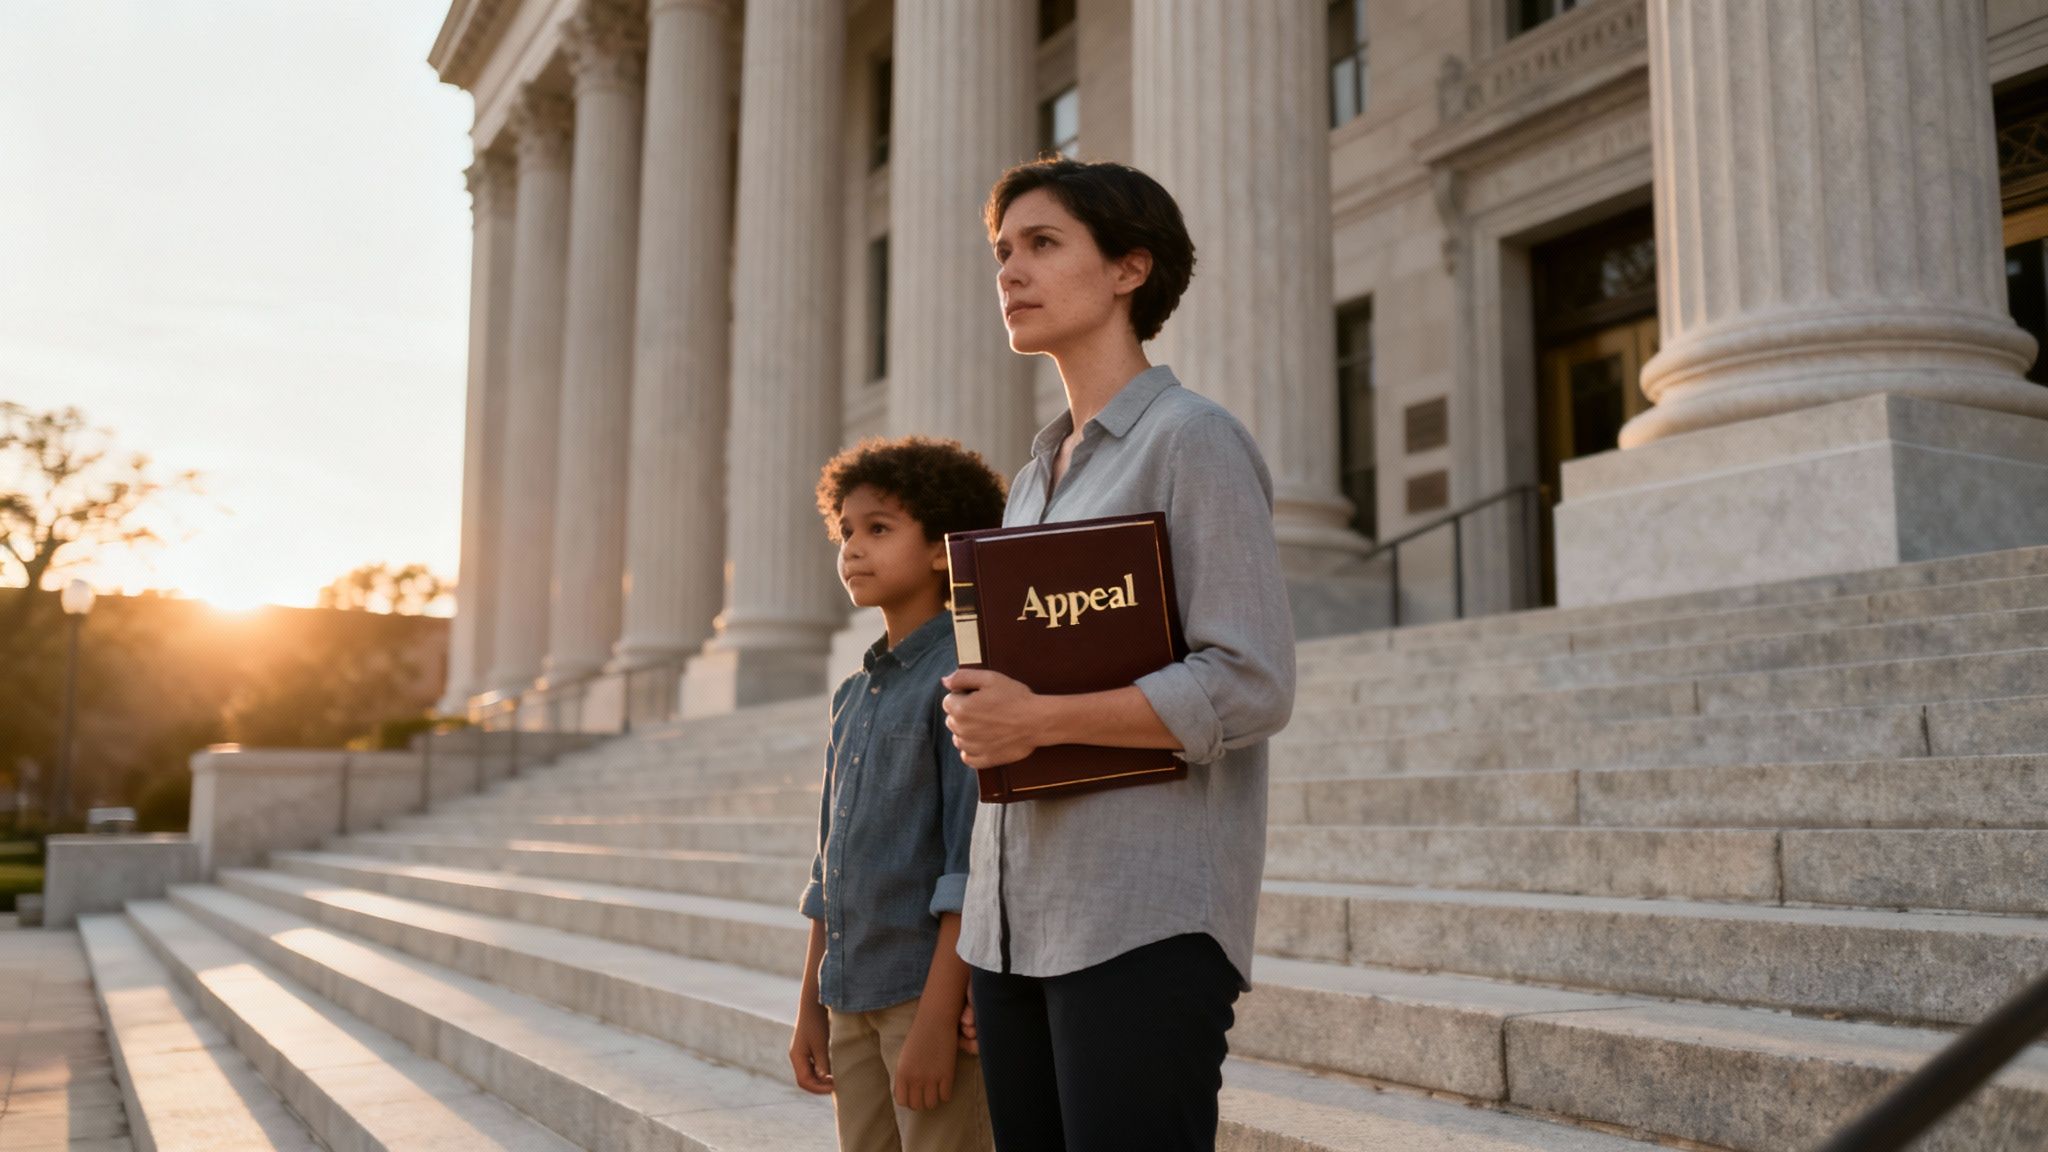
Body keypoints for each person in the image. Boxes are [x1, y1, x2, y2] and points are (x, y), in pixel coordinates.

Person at [942, 157, 1297, 1151]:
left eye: (1041, 244)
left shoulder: (1193, 441)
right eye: (1001, 251)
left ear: (1127, 269)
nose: (1008, 270)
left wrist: (1038, 719)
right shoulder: (1027, 479)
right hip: (1011, 928)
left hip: (1140, 918)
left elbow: (1250, 680)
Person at [791, 435, 1008, 1152]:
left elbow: (968, 865)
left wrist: (938, 1021)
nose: (852, 548)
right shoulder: (854, 694)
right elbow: (830, 865)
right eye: (846, 531)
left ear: (945, 549)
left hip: (924, 997)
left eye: (879, 529)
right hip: (850, 993)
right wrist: (811, 1006)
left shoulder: (963, 678)